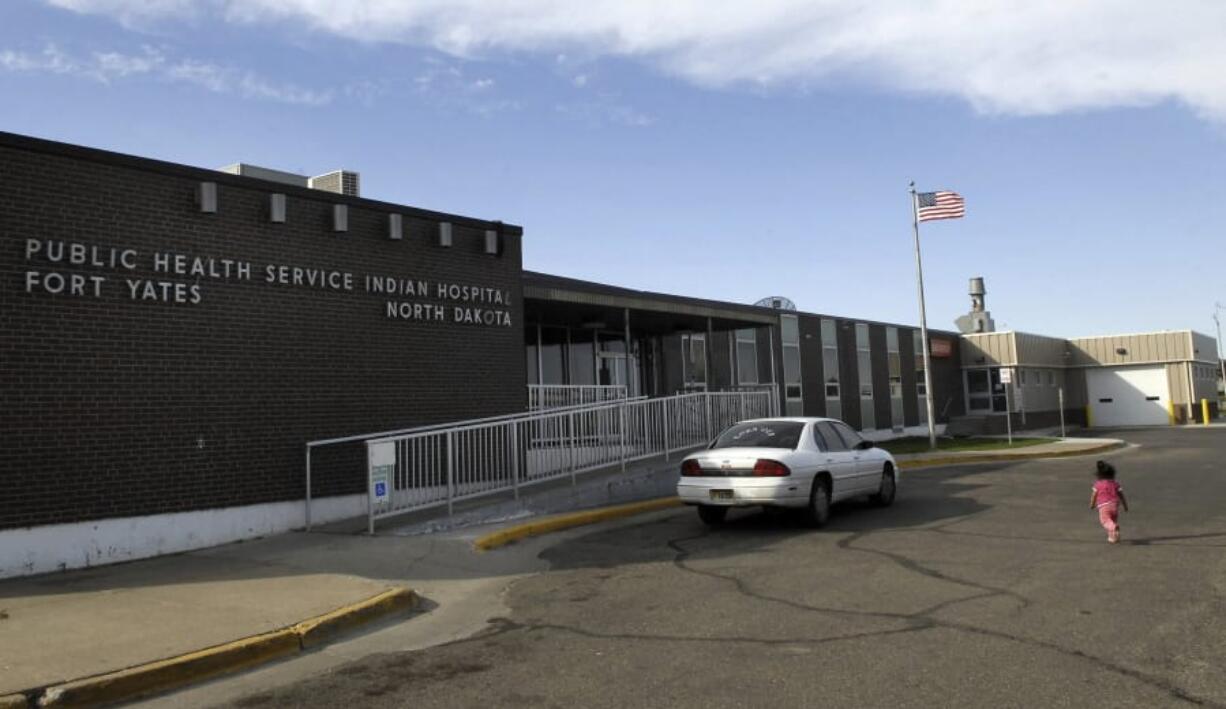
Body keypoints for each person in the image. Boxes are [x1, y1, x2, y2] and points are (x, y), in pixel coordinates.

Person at [1089, 460, 1128, 543]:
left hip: (1104, 506)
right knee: (1112, 521)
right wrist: (1125, 505)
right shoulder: (1115, 484)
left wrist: (1092, 504)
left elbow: (1094, 495)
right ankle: (1113, 538)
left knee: (1105, 521)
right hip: (1115, 505)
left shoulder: (1098, 484)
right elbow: (1121, 495)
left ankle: (1114, 528)